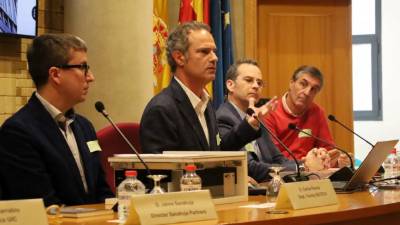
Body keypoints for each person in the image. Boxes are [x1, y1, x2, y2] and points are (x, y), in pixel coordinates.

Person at [0, 34, 113, 206]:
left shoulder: (84, 127)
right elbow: (44, 206)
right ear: (55, 74)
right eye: (83, 67)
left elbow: (102, 192)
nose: (90, 77)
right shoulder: (18, 132)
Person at [140, 22, 265, 154]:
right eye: (204, 52)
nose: (215, 58)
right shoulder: (161, 110)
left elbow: (216, 154)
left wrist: (249, 125)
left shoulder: (205, 103)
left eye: (214, 52)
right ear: (179, 58)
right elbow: (161, 171)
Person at [216, 59, 296, 182]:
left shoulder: (256, 117)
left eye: (259, 83)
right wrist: (299, 168)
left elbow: (279, 159)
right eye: (249, 80)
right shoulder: (223, 118)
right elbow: (249, 167)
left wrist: (305, 165)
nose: (255, 86)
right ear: (230, 85)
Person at [262, 65, 347, 166]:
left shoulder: (317, 112)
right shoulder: (270, 112)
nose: (307, 92)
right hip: (284, 173)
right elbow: (273, 158)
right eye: (303, 84)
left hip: (312, 174)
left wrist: (336, 161)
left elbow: (327, 150)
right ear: (291, 83)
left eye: (313, 89)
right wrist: (305, 164)